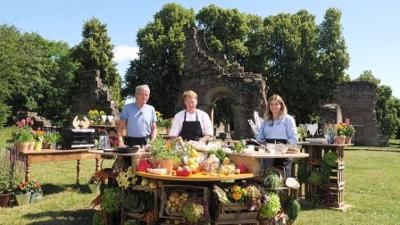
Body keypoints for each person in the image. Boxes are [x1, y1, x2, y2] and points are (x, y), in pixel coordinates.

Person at [257, 94, 298, 177]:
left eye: (276, 104)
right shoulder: (266, 121)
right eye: (271, 104)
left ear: (281, 105)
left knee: (282, 178)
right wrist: (265, 145)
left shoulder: (288, 119)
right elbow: (260, 137)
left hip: (284, 152)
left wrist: (285, 147)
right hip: (268, 152)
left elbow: (294, 137)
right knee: (267, 177)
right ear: (268, 106)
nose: (273, 106)